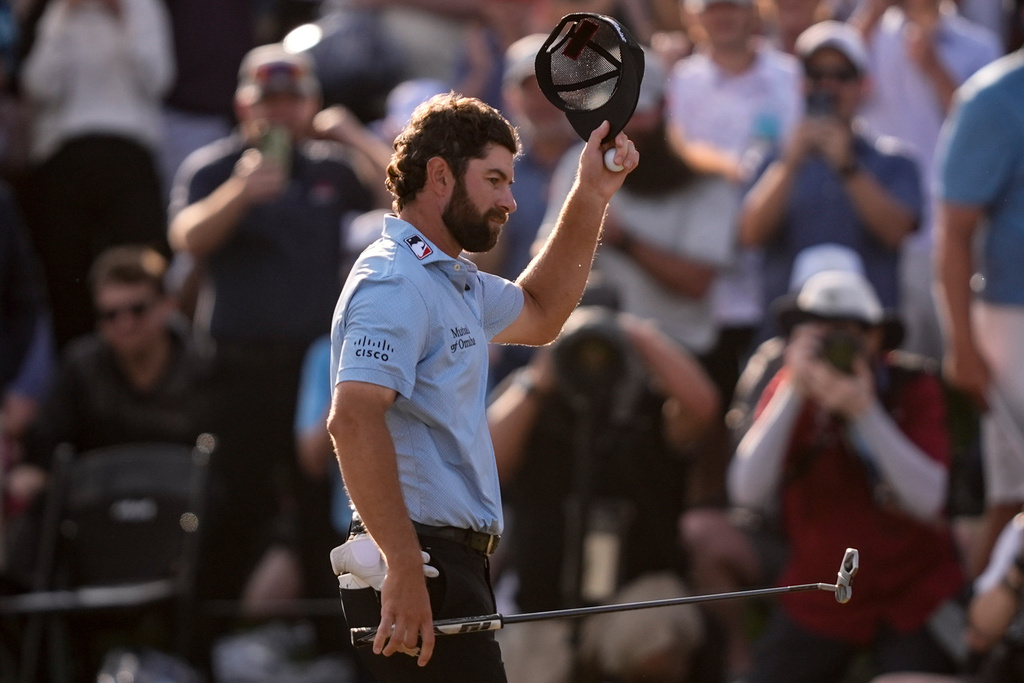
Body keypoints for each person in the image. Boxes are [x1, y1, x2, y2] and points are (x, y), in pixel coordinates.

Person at [326, 92, 638, 680]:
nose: (509, 201)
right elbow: (352, 419)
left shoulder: (451, 281)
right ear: (440, 176)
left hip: (442, 566)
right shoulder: (393, 281)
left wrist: (591, 192)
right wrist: (402, 566)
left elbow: (544, 312)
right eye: (494, 180)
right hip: (418, 563)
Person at [168, 43, 376, 607]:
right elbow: (186, 239)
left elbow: (408, 200)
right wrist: (241, 191)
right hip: (234, 374)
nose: (279, 113)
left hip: (311, 376)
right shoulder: (215, 167)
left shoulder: (331, 169)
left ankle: (333, 651)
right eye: (268, 101)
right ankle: (202, 646)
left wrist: (354, 137)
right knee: (224, 511)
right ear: (242, 106)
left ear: (310, 104)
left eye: (291, 101)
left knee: (321, 520)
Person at [728, 269, 966, 682]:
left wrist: (865, 412)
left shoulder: (912, 386)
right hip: (822, 596)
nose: (839, 347)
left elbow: (930, 500)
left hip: (914, 596)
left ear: (876, 338)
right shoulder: (790, 386)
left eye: (853, 333)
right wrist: (794, 390)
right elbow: (746, 491)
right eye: (822, 332)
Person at [487, 301, 719, 683]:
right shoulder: (536, 409)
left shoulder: (648, 408)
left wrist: (632, 333)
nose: (591, 358)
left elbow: (703, 406)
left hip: (632, 598)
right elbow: (487, 460)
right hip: (546, 608)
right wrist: (543, 371)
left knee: (658, 630)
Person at [4, 245, 212, 588]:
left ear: (167, 306)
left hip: (183, 522)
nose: (125, 324)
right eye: (111, 315)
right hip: (95, 524)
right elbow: (48, 445)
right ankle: (30, 630)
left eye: (137, 309)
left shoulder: (201, 367)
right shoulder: (80, 369)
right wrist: (33, 473)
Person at [739, 20, 921, 341]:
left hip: (869, 344)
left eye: (842, 76)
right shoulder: (773, 161)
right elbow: (750, 234)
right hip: (784, 343)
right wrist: (790, 163)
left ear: (863, 84)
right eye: (817, 75)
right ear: (801, 83)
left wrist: (847, 166)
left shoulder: (895, 161)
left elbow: (896, 233)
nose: (829, 86)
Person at [665, 0, 803, 408]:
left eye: (733, 6)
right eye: (711, 8)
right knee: (708, 413)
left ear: (755, 12)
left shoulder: (789, 76)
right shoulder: (680, 81)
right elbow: (670, 158)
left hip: (777, 270)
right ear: (693, 17)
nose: (722, 16)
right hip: (704, 282)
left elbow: (800, 158)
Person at [18, 0, 175, 348]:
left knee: (139, 267)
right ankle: (77, 370)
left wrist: (123, 16)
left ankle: (143, 362)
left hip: (129, 154)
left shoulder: (144, 9)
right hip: (65, 156)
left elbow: (158, 78)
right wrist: (62, 19)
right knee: (65, 276)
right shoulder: (58, 12)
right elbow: (40, 87)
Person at [852, 0, 1001, 361]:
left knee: (966, 362)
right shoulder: (866, 35)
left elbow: (987, 132)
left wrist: (933, 67)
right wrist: (872, 13)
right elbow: (835, 76)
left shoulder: (979, 44)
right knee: (895, 367)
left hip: (957, 231)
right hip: (881, 231)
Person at [933, 2, 1024, 579]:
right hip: (1013, 322)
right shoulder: (995, 97)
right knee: (1013, 500)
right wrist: (963, 345)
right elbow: (955, 233)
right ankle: (974, 637)